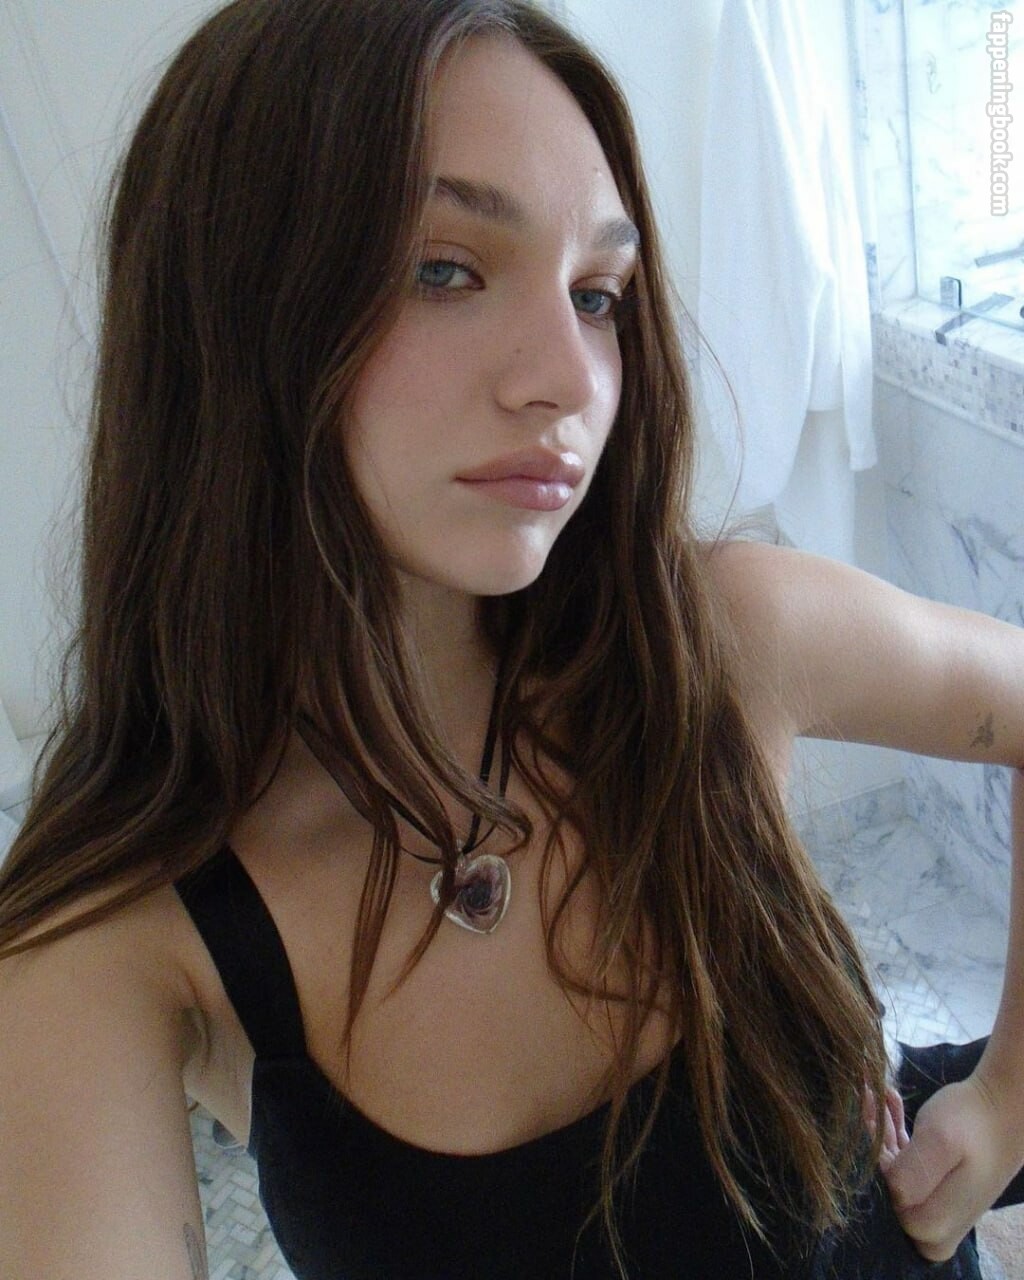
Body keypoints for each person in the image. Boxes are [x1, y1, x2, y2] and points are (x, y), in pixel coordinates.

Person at [1, 1, 1022, 1277]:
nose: (572, 379)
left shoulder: (719, 641)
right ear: (229, 305)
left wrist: (1003, 1097)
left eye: (597, 294)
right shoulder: (115, 936)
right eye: (445, 269)